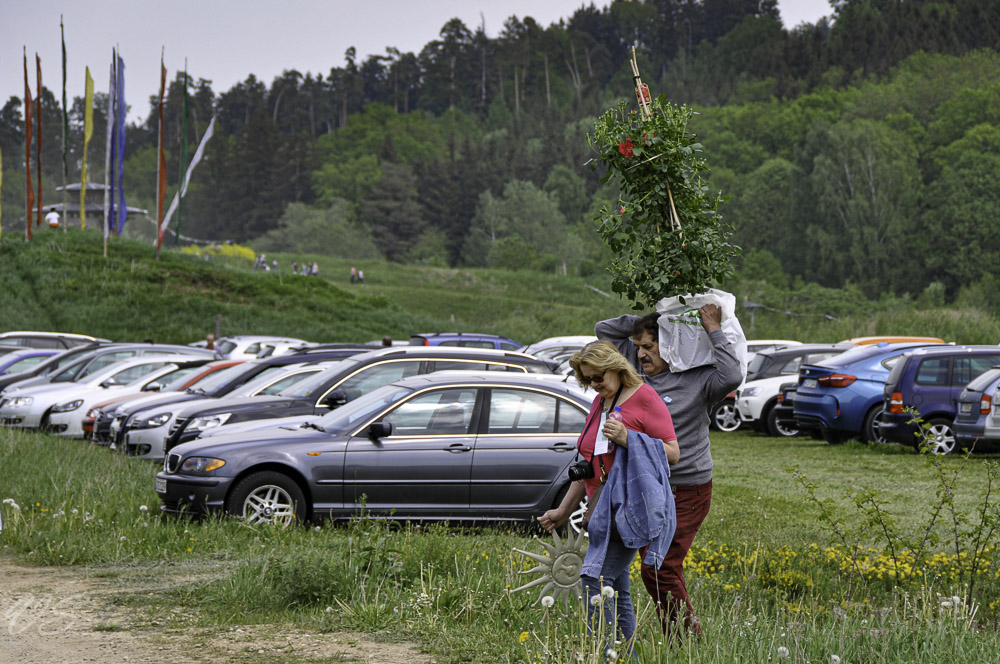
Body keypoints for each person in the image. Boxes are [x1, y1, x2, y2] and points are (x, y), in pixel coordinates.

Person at [596, 305, 742, 638]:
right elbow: (603, 329)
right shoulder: (635, 375)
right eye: (638, 346)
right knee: (647, 565)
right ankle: (662, 635)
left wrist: (709, 328)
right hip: (645, 486)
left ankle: (686, 640)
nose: (641, 353)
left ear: (672, 345)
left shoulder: (698, 380)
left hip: (686, 487)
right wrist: (660, 315)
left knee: (659, 566)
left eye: (649, 346)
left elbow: (732, 376)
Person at [539, 341, 679, 656]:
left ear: (616, 367)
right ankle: (625, 654)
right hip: (600, 508)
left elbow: (673, 453)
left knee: (594, 578)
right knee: (615, 588)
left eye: (598, 376)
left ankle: (603, 653)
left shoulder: (645, 399)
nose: (594, 384)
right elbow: (592, 464)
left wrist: (630, 438)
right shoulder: (601, 402)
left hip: (628, 508)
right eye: (588, 379)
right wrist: (563, 511)